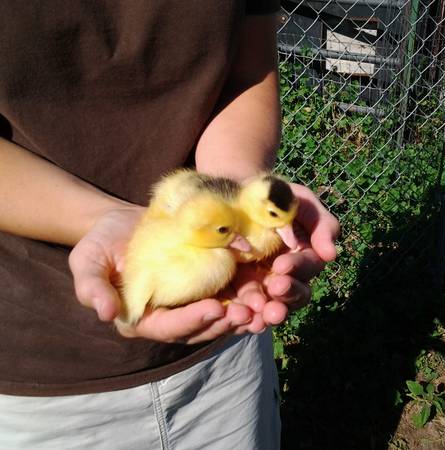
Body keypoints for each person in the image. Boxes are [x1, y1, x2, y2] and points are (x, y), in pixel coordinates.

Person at [0, 1, 339, 448]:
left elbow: (247, 71)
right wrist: (102, 218)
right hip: (41, 370)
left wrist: (237, 184)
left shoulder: (229, 244)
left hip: (226, 352)